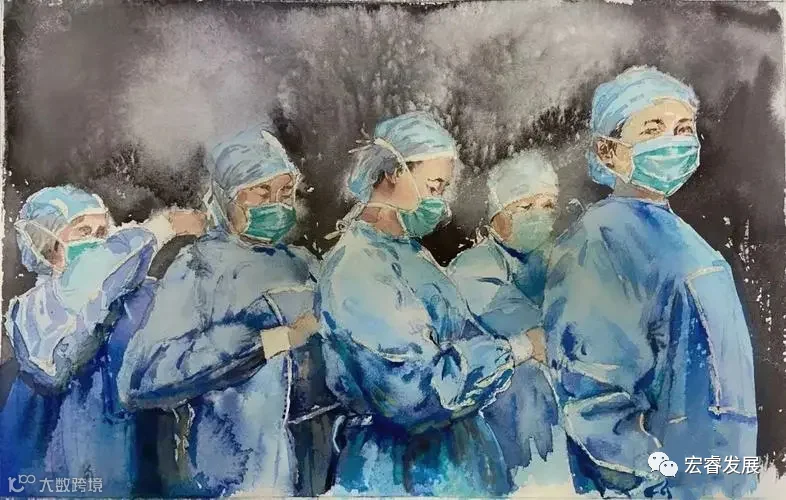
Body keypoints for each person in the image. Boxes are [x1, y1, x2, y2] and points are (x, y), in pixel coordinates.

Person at [542, 66, 757, 499]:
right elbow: (593, 397)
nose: (672, 142)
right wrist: (656, 482)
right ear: (608, 151)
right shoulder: (599, 241)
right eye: (653, 129)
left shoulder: (681, 236)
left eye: (683, 129)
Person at [317, 111, 537, 496]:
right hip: (400, 472)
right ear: (392, 174)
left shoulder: (411, 254)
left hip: (457, 459)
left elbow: (461, 333)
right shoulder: (358, 268)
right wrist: (516, 350)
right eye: (434, 186)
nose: (440, 202)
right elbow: (416, 392)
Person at [117, 124, 323, 497]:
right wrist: (267, 341)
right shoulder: (199, 266)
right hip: (230, 475)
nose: (277, 206)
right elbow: (144, 376)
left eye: (285, 192)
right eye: (261, 193)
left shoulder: (304, 264)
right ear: (226, 197)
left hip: (311, 470)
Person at [1, 184, 205, 496]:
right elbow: (54, 365)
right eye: (83, 232)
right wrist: (165, 226)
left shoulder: (140, 295)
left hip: (138, 465)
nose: (99, 244)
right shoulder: (35, 309)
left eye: (102, 233)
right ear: (47, 246)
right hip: (55, 476)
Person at [447, 151, 572, 489]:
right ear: (497, 213)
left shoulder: (556, 258)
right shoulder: (473, 267)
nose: (539, 216)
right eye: (526, 207)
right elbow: (541, 336)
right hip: (508, 410)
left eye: (548, 206)